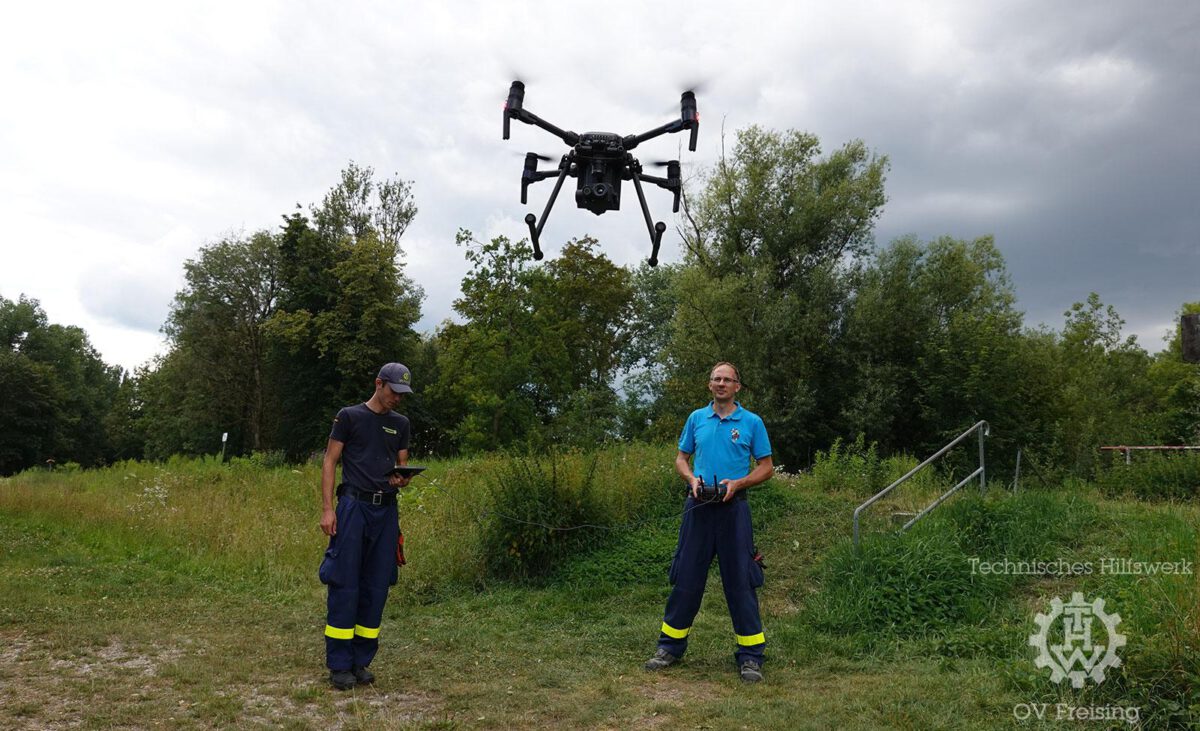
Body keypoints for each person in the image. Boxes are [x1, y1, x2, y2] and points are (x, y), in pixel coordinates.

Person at [644, 362, 775, 683]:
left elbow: (766, 467)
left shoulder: (752, 422)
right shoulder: (696, 419)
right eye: (716, 378)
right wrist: (691, 479)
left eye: (727, 379)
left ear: (737, 387)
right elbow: (680, 457)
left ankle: (750, 657)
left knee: (741, 583)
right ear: (709, 384)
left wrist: (739, 483)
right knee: (686, 578)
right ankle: (669, 648)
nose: (721, 383)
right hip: (698, 508)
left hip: (734, 511)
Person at [318, 362, 414, 690]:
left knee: (376, 587)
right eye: (393, 392)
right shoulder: (349, 417)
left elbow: (402, 466)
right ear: (378, 383)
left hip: (385, 513)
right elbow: (330, 460)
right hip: (353, 508)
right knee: (345, 582)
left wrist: (402, 479)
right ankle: (340, 664)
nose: (397, 399)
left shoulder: (401, 424)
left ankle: (361, 661)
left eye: (402, 395)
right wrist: (329, 509)